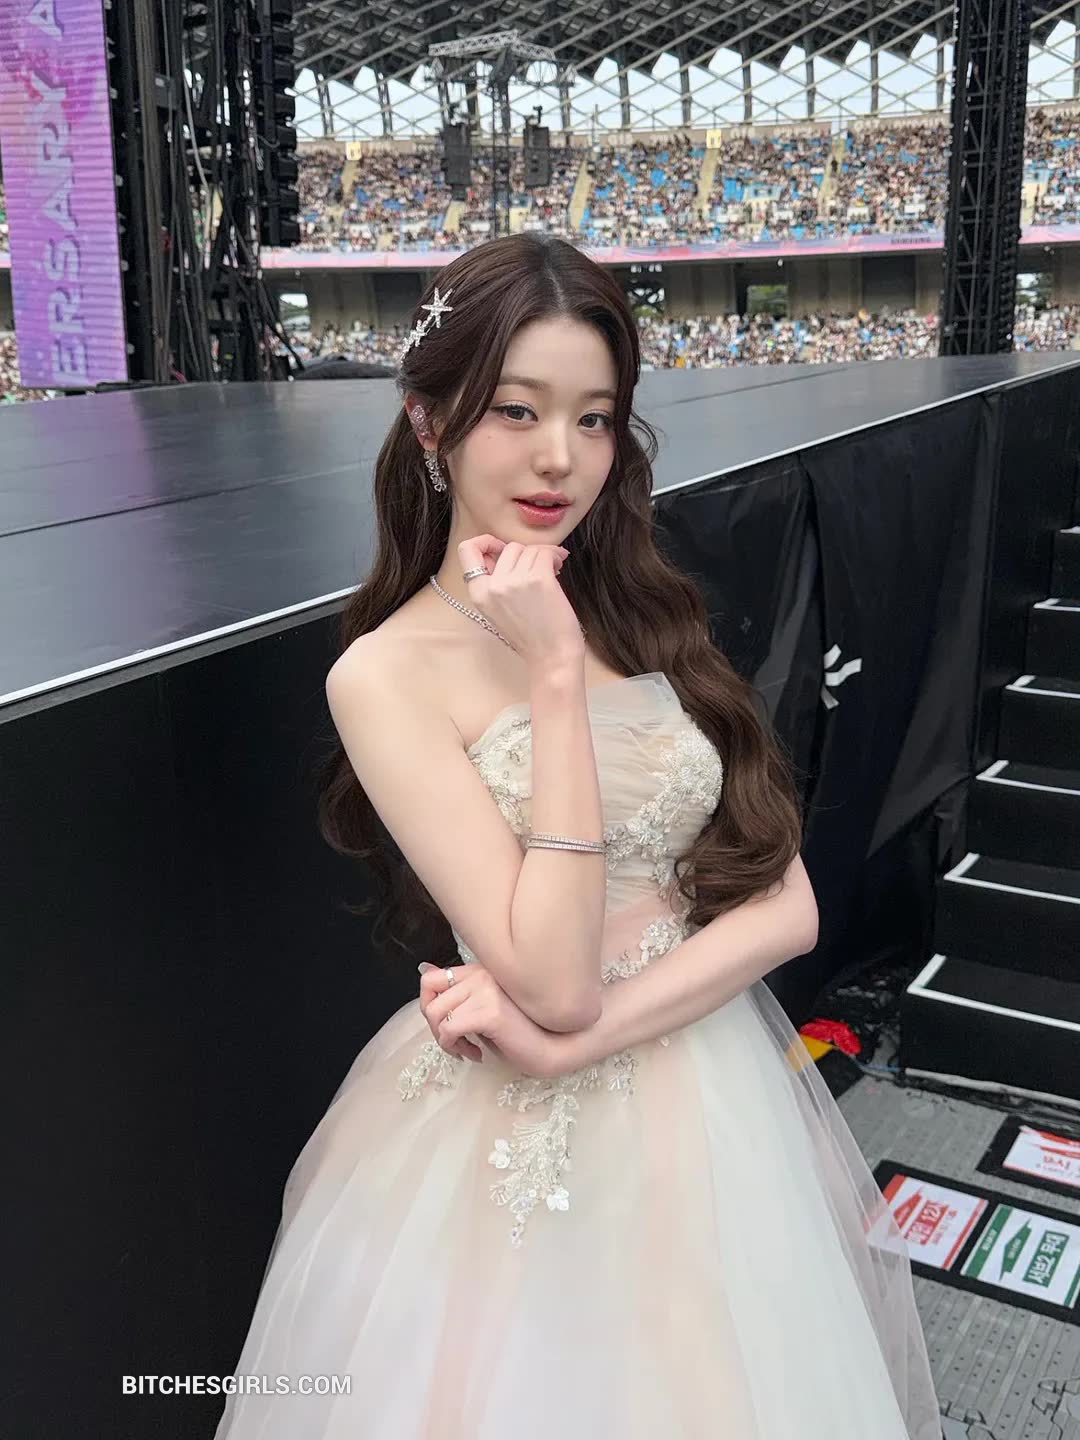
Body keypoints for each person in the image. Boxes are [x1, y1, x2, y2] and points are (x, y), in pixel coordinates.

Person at [214, 232, 941, 1440]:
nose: (561, 456)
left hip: (710, 1091)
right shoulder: (386, 675)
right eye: (517, 409)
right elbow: (551, 982)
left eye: (595, 419)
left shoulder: (635, 610)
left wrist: (578, 1045)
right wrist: (554, 678)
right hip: (509, 1149)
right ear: (430, 422)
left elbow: (789, 906)